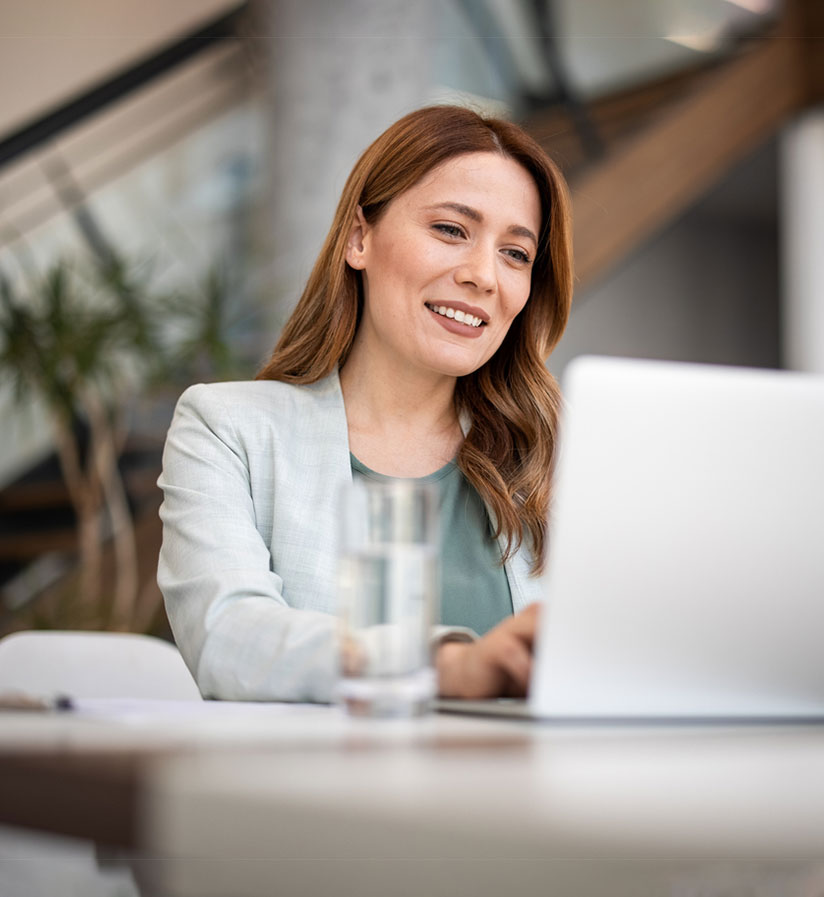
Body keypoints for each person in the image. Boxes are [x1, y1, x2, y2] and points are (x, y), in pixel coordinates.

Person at [157, 105, 573, 702]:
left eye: (516, 254)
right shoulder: (228, 428)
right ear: (359, 237)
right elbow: (228, 637)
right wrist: (446, 666)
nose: (484, 275)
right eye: (451, 230)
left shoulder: (556, 459)